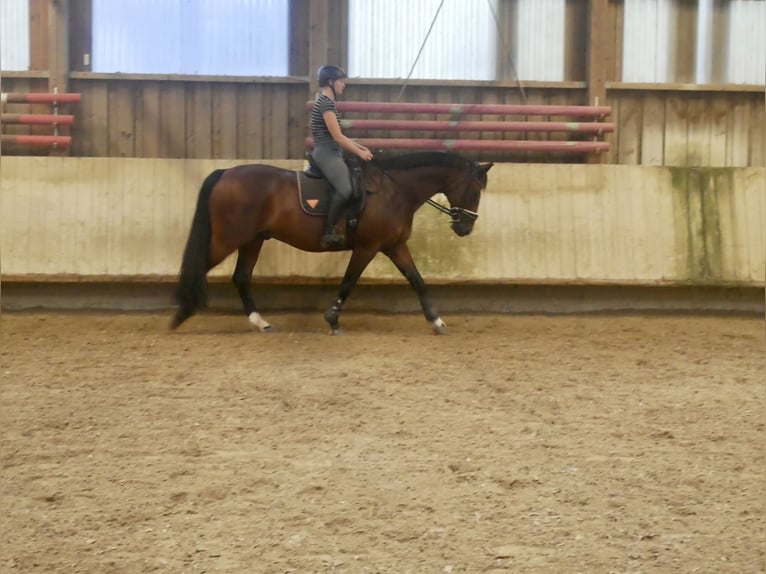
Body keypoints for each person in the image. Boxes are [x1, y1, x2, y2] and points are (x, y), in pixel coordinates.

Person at [310, 64, 373, 248]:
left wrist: (361, 148)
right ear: (330, 82)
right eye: (340, 81)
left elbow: (341, 136)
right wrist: (360, 152)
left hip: (333, 150)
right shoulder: (325, 104)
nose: (343, 85)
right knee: (345, 189)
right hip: (326, 152)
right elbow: (337, 137)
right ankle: (329, 230)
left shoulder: (326, 102)